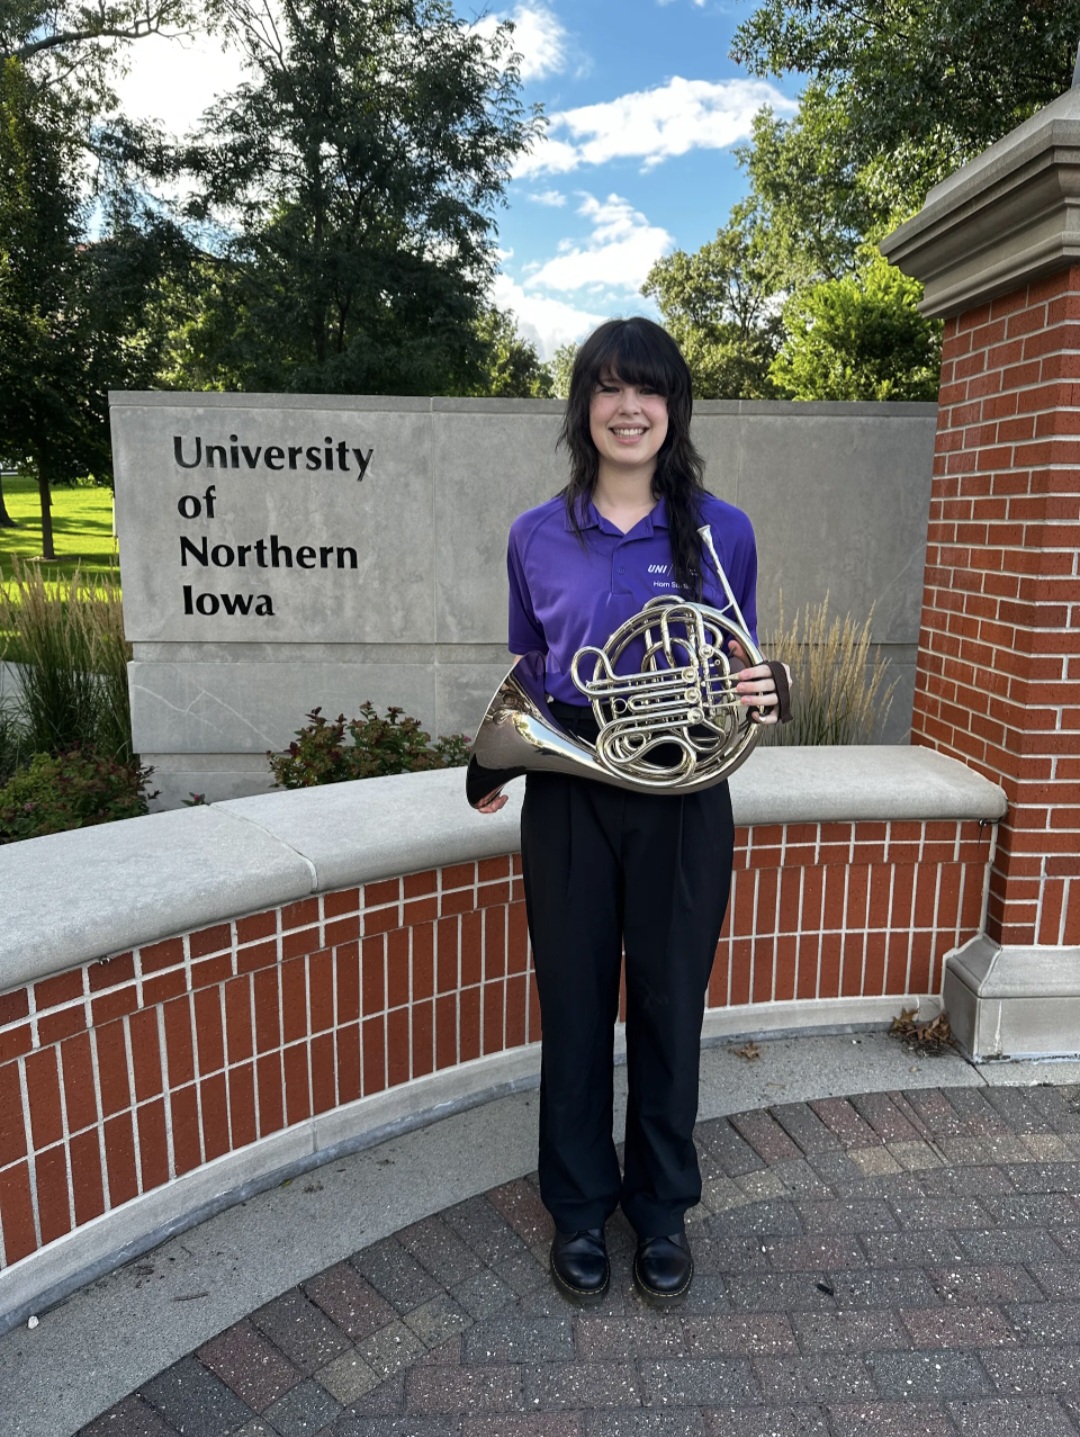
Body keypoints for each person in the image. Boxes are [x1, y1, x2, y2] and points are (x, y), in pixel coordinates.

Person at [475, 317, 787, 1308]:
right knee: (572, 1004)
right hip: (571, 780)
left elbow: (736, 661)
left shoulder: (719, 530)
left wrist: (768, 689)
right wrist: (495, 764)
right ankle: (578, 1210)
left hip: (685, 787)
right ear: (584, 407)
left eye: (647, 390)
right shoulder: (535, 533)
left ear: (673, 408)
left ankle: (659, 1211)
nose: (628, 408)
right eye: (609, 389)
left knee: (667, 1003)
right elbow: (531, 665)